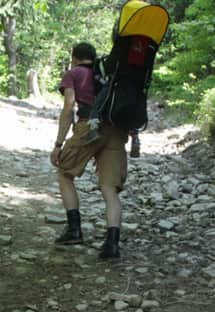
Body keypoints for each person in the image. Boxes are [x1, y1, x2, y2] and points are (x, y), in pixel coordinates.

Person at [50, 42, 128, 259]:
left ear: (74, 58)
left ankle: (74, 229)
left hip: (88, 127)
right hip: (115, 131)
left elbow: (69, 107)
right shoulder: (111, 75)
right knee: (109, 188)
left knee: (65, 173)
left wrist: (58, 145)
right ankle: (112, 244)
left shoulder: (73, 73)